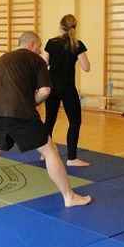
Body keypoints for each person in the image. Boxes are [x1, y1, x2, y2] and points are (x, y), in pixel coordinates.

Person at [0, 31, 92, 208]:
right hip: (21, 113)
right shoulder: (36, 60)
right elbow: (45, 91)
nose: (41, 51)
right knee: (50, 151)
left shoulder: (1, 60)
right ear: (32, 45)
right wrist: (30, 102)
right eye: (39, 46)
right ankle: (69, 196)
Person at [41, 14, 91, 167]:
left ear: (61, 26)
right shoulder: (77, 45)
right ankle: (71, 158)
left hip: (52, 86)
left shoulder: (51, 43)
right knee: (75, 121)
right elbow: (86, 68)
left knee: (49, 120)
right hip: (67, 87)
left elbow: (43, 64)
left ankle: (45, 153)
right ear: (75, 27)